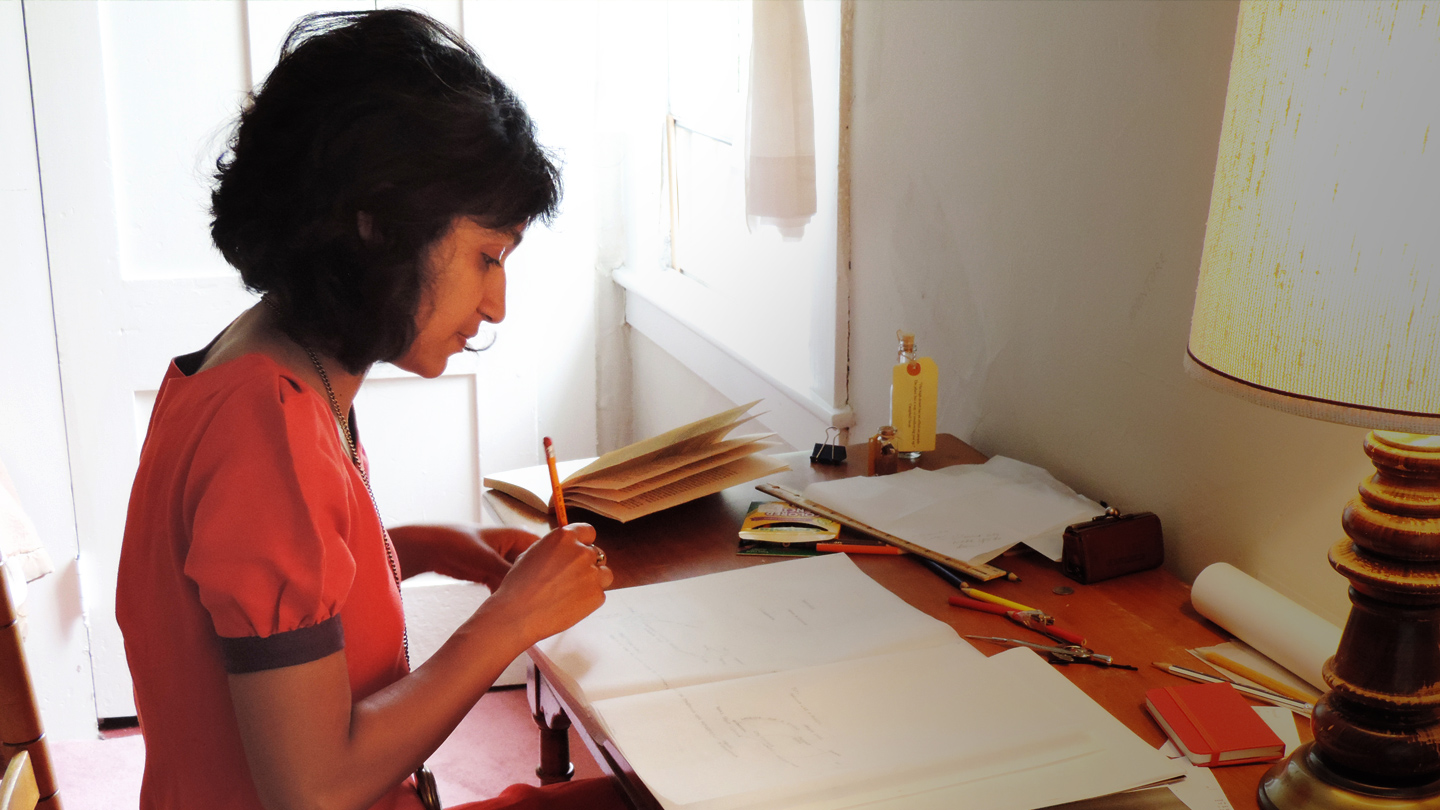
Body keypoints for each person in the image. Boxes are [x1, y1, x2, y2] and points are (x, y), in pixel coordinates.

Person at [115, 10, 624, 810]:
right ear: (377, 226)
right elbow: (314, 789)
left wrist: (435, 546)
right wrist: (506, 625)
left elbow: (264, 580)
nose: (496, 305)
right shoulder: (267, 434)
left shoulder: (254, 365)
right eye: (487, 257)